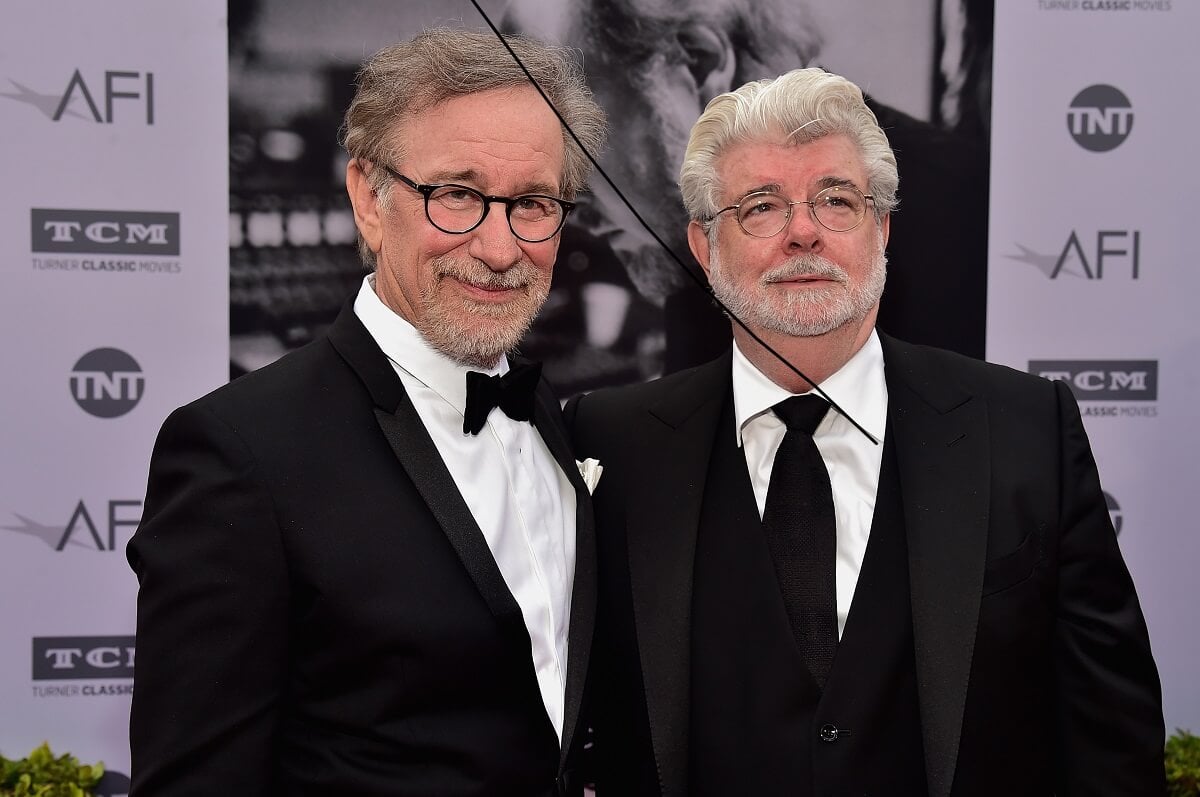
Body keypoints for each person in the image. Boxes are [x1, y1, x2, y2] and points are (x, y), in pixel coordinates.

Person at [566, 67, 1164, 795]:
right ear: (703, 243)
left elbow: (1112, 743)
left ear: (881, 228)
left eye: (837, 200)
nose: (804, 232)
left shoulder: (1026, 431)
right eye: (760, 206)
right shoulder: (612, 445)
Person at [127, 28, 606, 796]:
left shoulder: (554, 415)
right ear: (368, 199)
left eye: (533, 202)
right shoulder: (240, 451)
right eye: (456, 194)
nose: (498, 244)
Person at [503, 0, 990, 375]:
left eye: (577, 133)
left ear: (698, 61)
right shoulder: (698, 257)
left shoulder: (970, 219)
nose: (564, 206)